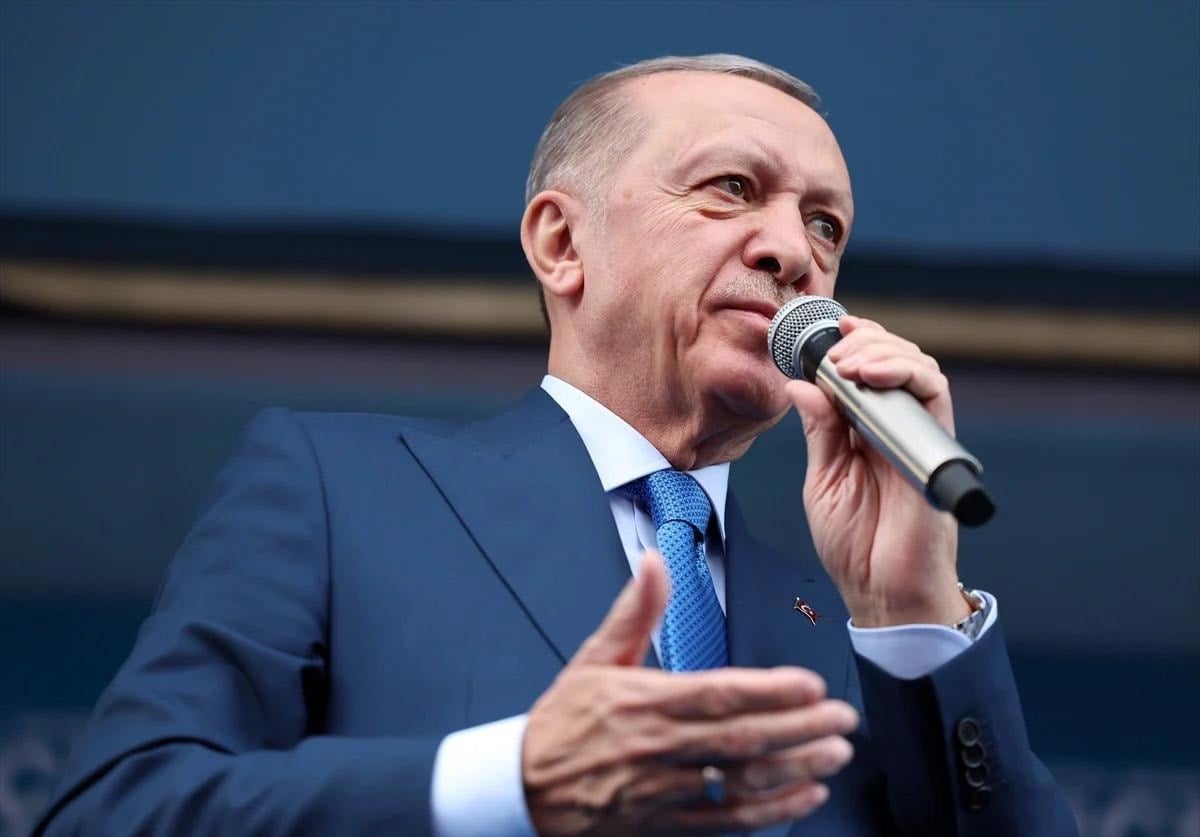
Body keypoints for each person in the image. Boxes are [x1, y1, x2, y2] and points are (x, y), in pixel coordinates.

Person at [36, 55, 1077, 835]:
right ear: (561, 242)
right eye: (731, 188)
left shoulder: (853, 636)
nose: (792, 251)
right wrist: (512, 780)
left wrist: (913, 614)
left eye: (827, 226)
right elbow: (116, 810)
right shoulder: (338, 491)